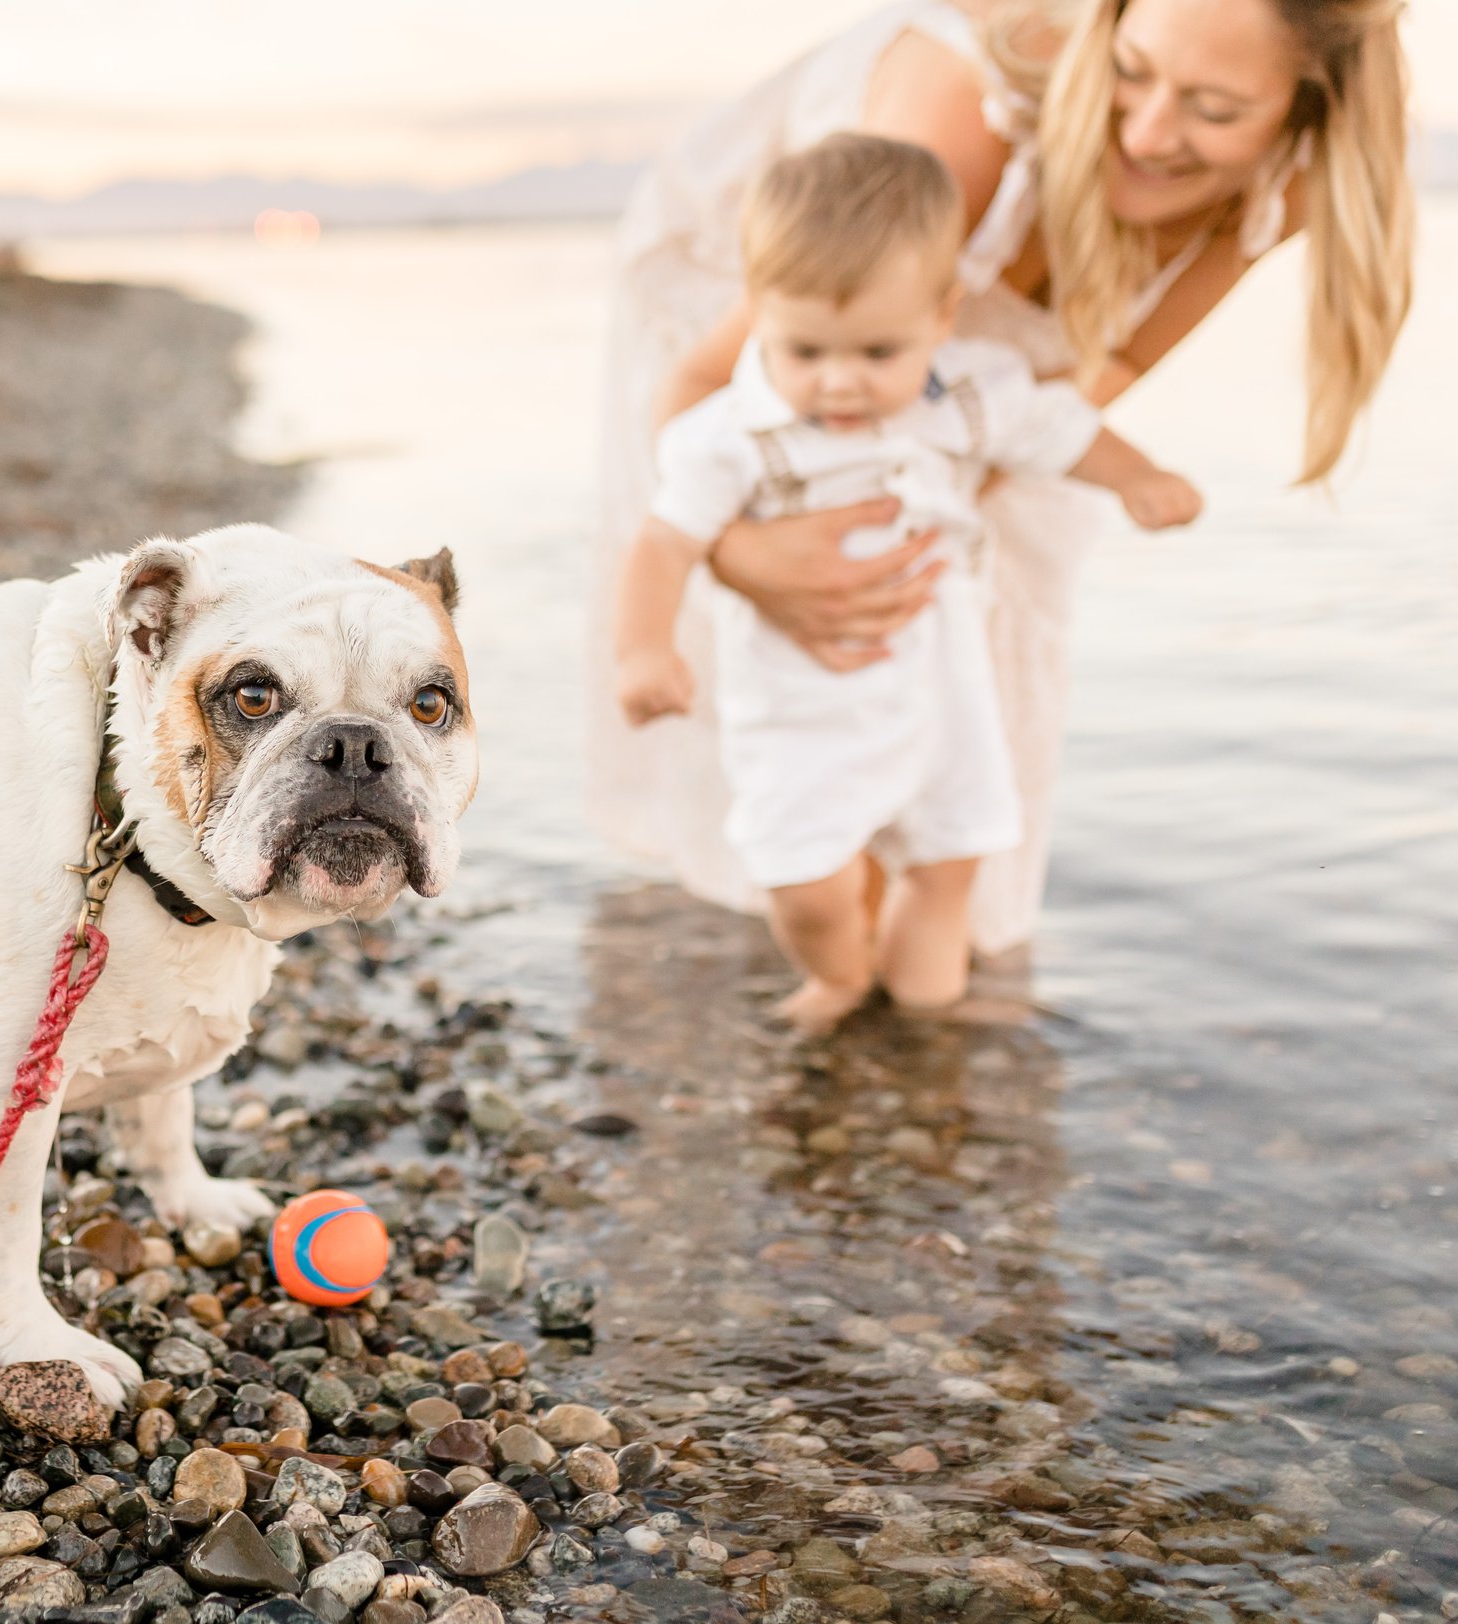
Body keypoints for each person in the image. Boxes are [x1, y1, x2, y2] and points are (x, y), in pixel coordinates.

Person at [588, 0, 1414, 958]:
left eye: (1216, 110)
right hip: (765, 325)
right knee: (778, 683)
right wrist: (741, 555)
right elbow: (704, 383)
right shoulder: (957, 127)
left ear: (1307, 109)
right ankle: (796, 954)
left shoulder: (1288, 187)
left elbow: (1101, 370)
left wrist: (919, 516)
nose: (1148, 132)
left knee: (967, 670)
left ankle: (933, 998)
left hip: (987, 394)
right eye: (1133, 70)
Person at [614, 135, 1201, 1031]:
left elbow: (1063, 429)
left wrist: (1139, 476)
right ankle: (840, 976)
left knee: (948, 865)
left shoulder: (967, 395)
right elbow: (662, 543)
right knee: (805, 880)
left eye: (878, 352)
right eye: (804, 350)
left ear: (942, 317)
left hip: (943, 692)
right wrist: (643, 649)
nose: (840, 381)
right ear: (759, 311)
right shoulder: (733, 433)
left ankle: (932, 1018)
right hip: (803, 709)